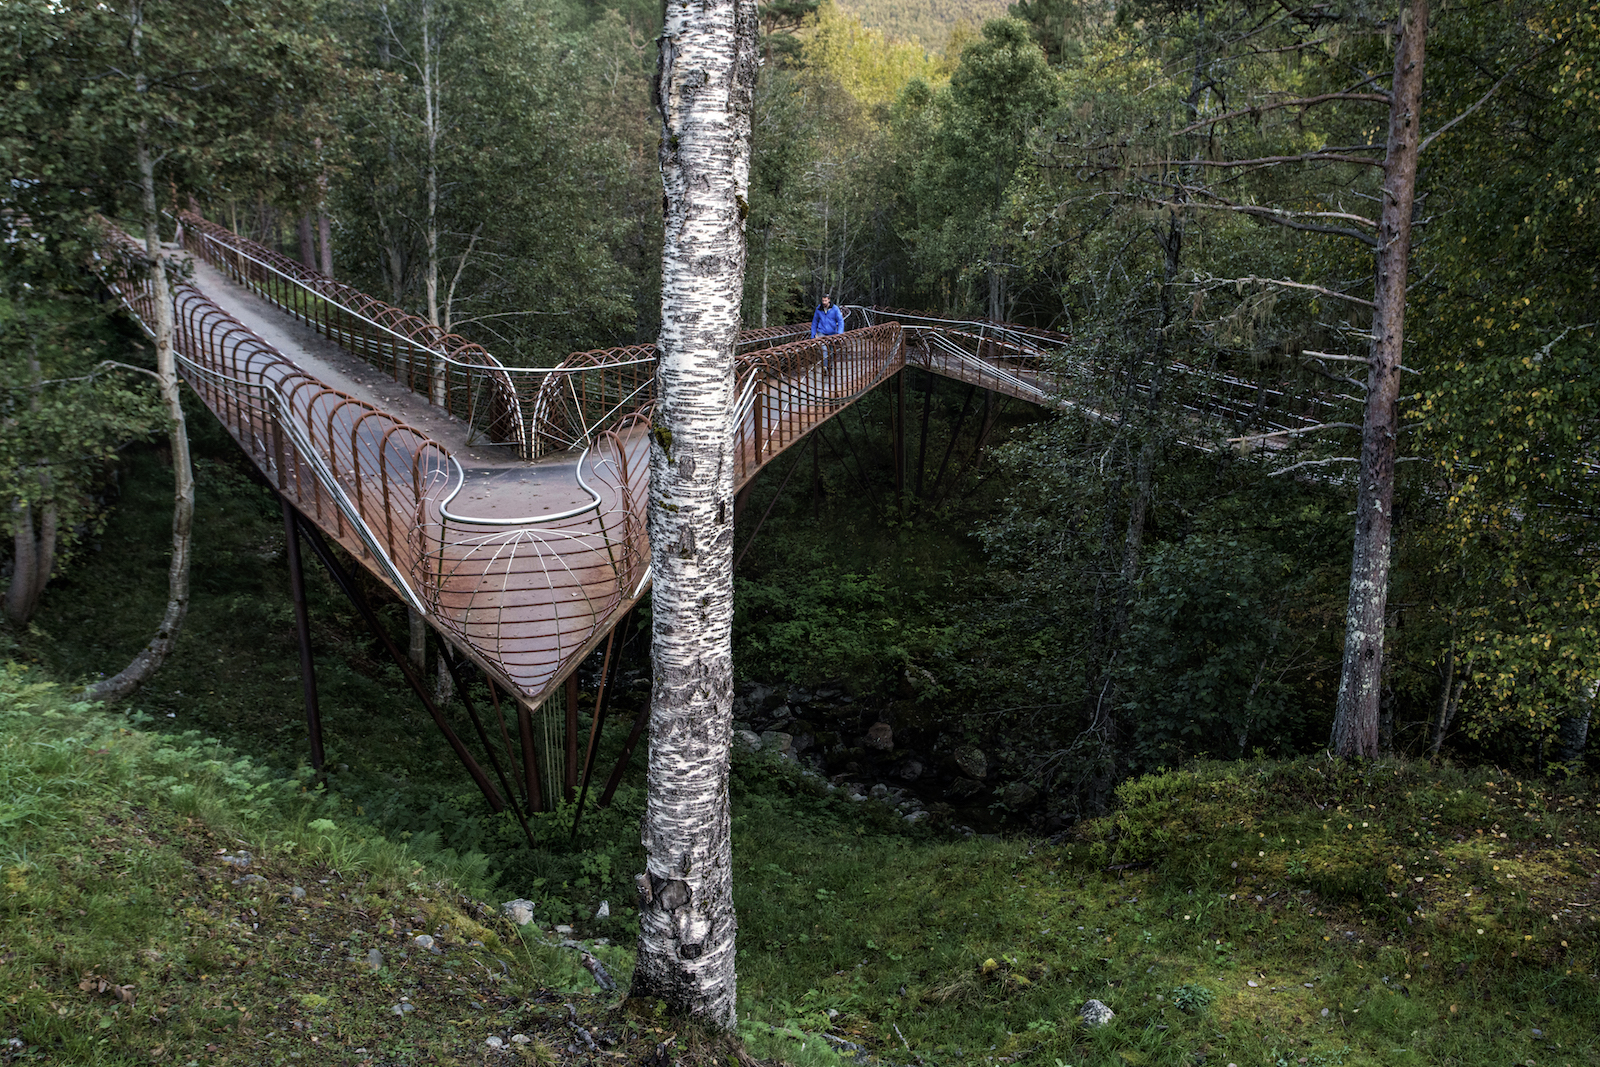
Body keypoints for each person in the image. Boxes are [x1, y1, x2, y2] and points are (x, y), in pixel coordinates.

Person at [810, 294, 844, 369]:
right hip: (821, 332)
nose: (824, 302)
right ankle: (825, 367)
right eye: (823, 301)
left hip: (832, 333)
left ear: (829, 300)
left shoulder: (835, 309)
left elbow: (840, 321)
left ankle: (829, 365)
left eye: (825, 300)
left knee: (831, 351)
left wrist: (840, 333)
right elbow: (814, 322)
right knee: (824, 349)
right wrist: (813, 335)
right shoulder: (818, 309)